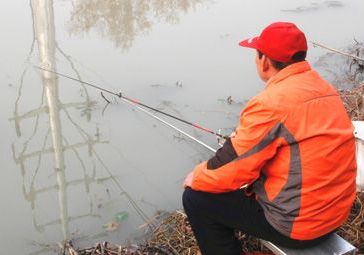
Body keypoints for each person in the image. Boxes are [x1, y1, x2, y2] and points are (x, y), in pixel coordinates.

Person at [182, 22, 357, 255]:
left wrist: (197, 177)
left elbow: (232, 169)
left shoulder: (270, 103)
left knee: (196, 199)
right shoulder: (325, 89)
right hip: (335, 215)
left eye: (256, 54)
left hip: (299, 227)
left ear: (264, 61)